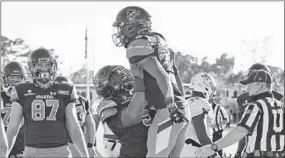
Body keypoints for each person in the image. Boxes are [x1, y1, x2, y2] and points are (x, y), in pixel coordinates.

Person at [112, 6, 190, 157]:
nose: (120, 33)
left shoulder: (137, 45)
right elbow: (175, 75)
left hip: (168, 109)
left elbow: (162, 76)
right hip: (180, 107)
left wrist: (171, 106)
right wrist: (181, 105)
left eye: (122, 27)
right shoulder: (158, 40)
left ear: (133, 25)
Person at [5, 48, 89, 157]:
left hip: (60, 151)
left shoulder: (66, 89)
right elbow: (12, 128)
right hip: (32, 152)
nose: (44, 69)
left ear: (53, 67)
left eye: (47, 65)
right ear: (32, 67)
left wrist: (86, 156)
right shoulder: (21, 89)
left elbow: (74, 127)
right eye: (39, 65)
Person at [196, 70, 284, 158]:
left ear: (261, 84)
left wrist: (213, 147)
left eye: (250, 84)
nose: (247, 88)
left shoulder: (256, 106)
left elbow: (240, 131)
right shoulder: (281, 105)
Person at [93, 65, 153, 157]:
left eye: (104, 81)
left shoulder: (141, 94)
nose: (100, 85)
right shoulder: (107, 103)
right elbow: (132, 117)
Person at [235, 63, 284, 158]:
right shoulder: (242, 98)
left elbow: (241, 130)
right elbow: (243, 128)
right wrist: (238, 151)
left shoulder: (279, 98)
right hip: (257, 148)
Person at [54, 75, 97, 157]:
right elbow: (91, 124)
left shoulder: (54, 100)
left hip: (60, 145)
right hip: (79, 144)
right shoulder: (83, 101)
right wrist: (91, 146)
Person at [180, 73, 216, 157]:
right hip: (195, 150)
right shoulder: (200, 102)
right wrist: (214, 154)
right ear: (206, 87)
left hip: (186, 149)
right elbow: (201, 134)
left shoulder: (187, 102)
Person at [1, 61, 25, 158]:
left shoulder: (27, 97)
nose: (15, 80)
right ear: (6, 78)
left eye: (18, 77)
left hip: (22, 149)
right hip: (2, 146)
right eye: (12, 77)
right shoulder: (1, 96)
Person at [211, 93, 229, 158]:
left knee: (218, 151)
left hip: (217, 134)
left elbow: (226, 120)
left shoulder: (219, 108)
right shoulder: (205, 108)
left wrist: (216, 125)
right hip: (208, 134)